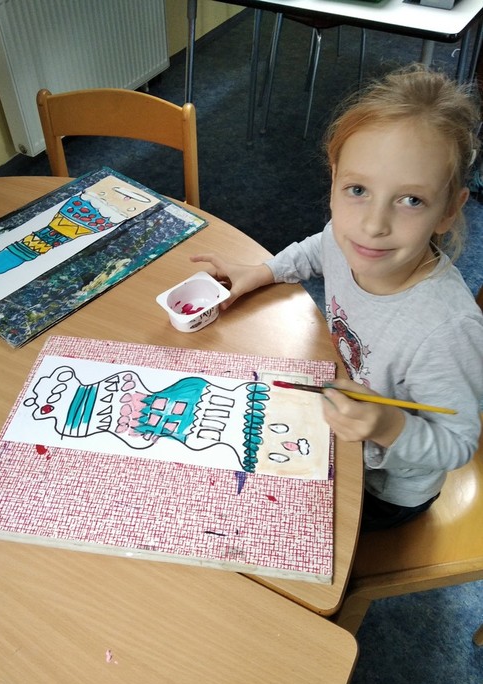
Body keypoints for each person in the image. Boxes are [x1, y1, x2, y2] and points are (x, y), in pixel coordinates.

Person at [191, 64, 483, 531]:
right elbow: (318, 248)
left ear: (448, 210)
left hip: (385, 488)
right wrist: (263, 271)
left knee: (258, 523)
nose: (373, 225)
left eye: (411, 200)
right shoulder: (348, 239)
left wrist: (387, 426)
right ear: (334, 181)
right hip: (335, 423)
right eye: (358, 190)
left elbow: (458, 443)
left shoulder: (447, 332)